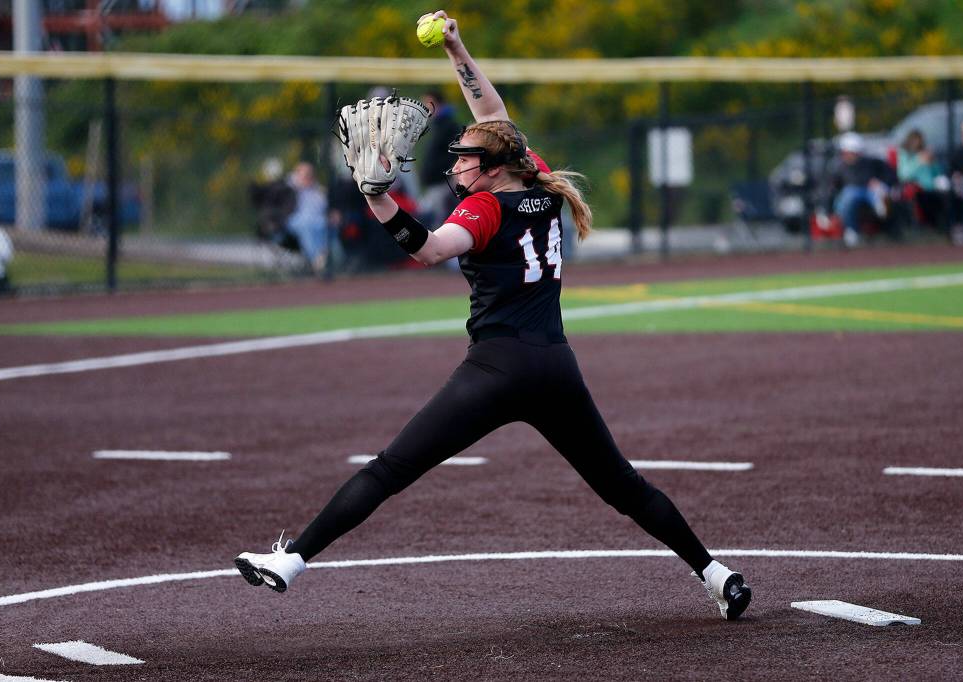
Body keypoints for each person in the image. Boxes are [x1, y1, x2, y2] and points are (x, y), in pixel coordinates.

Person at [234, 10, 752, 622]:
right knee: (624, 487)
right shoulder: (532, 182)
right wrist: (455, 47)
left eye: (464, 160)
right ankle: (716, 574)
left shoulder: (484, 209)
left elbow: (427, 249)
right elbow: (493, 116)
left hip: (496, 369)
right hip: (555, 366)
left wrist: (377, 197)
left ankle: (290, 561)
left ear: (492, 167)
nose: (455, 165)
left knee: (390, 469)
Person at [831, 132, 897, 247]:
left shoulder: (871, 162)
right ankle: (851, 230)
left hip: (871, 192)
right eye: (846, 152)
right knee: (849, 194)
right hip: (852, 195)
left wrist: (880, 183)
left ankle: (881, 207)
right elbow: (835, 186)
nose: (848, 155)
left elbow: (889, 174)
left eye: (851, 152)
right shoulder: (840, 167)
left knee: (877, 192)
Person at [418, 88, 462, 226]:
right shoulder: (437, 126)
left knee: (436, 224)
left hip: (443, 185)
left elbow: (455, 155)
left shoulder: (449, 126)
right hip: (434, 185)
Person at [285, 162, 331, 274]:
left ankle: (321, 256)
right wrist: (299, 185)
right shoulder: (289, 187)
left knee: (323, 223)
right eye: (305, 174)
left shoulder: (317, 189)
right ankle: (315, 259)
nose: (308, 176)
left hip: (315, 220)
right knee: (306, 225)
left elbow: (323, 206)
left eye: (310, 174)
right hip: (293, 221)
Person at [896, 129, 943, 230]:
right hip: (916, 188)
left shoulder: (925, 153)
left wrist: (933, 162)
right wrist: (918, 160)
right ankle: (923, 226)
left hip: (932, 187)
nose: (919, 143)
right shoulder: (905, 154)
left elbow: (938, 173)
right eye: (916, 140)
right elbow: (903, 175)